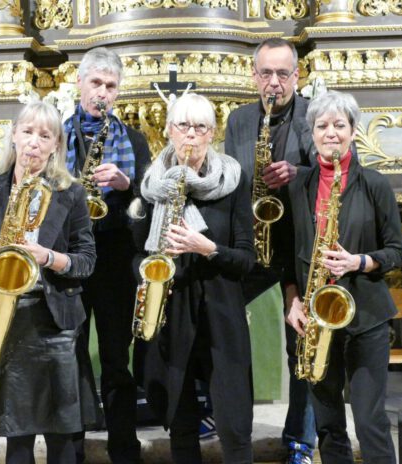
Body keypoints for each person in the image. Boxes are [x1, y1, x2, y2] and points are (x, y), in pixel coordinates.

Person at [0, 101, 99, 464]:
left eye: (45, 135)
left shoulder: (71, 193)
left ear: (56, 145)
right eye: (28, 132)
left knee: (62, 436)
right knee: (17, 437)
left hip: (56, 326)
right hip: (6, 324)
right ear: (14, 136)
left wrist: (47, 256)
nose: (35, 142)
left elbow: (87, 261)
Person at [131, 93, 256, 463]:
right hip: (172, 312)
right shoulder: (151, 188)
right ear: (169, 131)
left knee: (235, 425)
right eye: (183, 126)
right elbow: (135, 255)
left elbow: (247, 259)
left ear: (212, 133)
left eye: (200, 127)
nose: (191, 136)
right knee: (181, 423)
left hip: (222, 312)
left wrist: (207, 248)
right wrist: (153, 264)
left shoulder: (233, 180)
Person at [284, 90, 402, 464]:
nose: (331, 132)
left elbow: (397, 251)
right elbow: (285, 258)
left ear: (353, 130)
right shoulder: (297, 186)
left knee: (369, 420)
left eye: (340, 125)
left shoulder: (375, 184)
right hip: (316, 320)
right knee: (328, 424)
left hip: (366, 316)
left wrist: (359, 261)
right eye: (322, 125)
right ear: (312, 133)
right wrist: (292, 302)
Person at [224, 37, 316, 464]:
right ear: (254, 76)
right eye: (266, 74)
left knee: (301, 344)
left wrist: (297, 173)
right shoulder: (240, 120)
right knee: (220, 327)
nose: (274, 83)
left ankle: (300, 438)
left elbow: (333, 171)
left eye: (283, 74)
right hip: (253, 246)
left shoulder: (314, 115)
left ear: (297, 76)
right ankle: (226, 420)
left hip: (300, 248)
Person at [63, 46, 151, 464]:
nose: (102, 92)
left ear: (118, 92)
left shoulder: (133, 141)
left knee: (117, 360)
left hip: (115, 261)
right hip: (68, 263)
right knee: (72, 359)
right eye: (95, 83)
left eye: (110, 86)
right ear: (79, 83)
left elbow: (150, 206)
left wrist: (126, 184)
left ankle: (124, 450)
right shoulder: (57, 135)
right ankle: (73, 449)